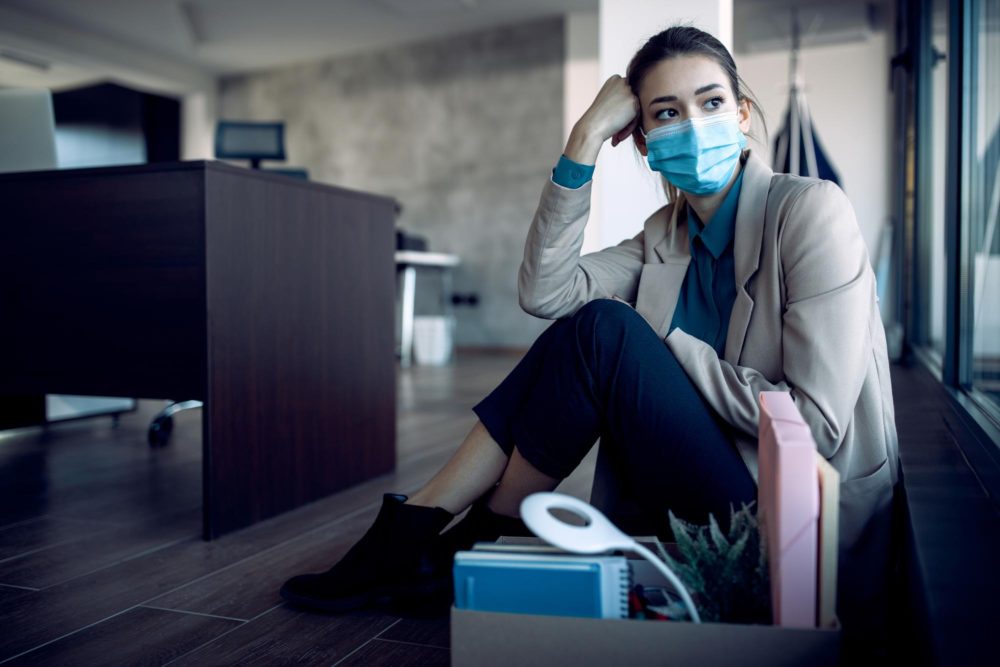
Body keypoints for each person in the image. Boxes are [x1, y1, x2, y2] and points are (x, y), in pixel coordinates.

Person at [281, 24, 898, 655]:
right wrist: (584, 141)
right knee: (585, 328)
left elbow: (816, 425)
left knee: (608, 329)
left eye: (711, 102)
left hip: (790, 520)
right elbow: (546, 291)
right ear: (646, 143)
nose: (693, 125)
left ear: (741, 114)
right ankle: (443, 533)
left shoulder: (810, 211)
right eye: (667, 113)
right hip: (703, 490)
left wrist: (668, 343)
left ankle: (432, 535)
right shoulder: (664, 236)